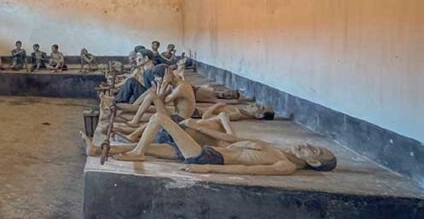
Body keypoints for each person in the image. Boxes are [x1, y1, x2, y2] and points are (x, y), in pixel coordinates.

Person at [84, 80, 337, 175]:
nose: (307, 145)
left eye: (314, 152)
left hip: (205, 156)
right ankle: (100, 150)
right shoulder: (278, 150)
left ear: (314, 164)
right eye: (313, 146)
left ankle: (135, 147)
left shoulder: (285, 165)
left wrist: (208, 169)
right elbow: (228, 140)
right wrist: (203, 127)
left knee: (159, 118)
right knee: (153, 145)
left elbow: (247, 170)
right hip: (203, 147)